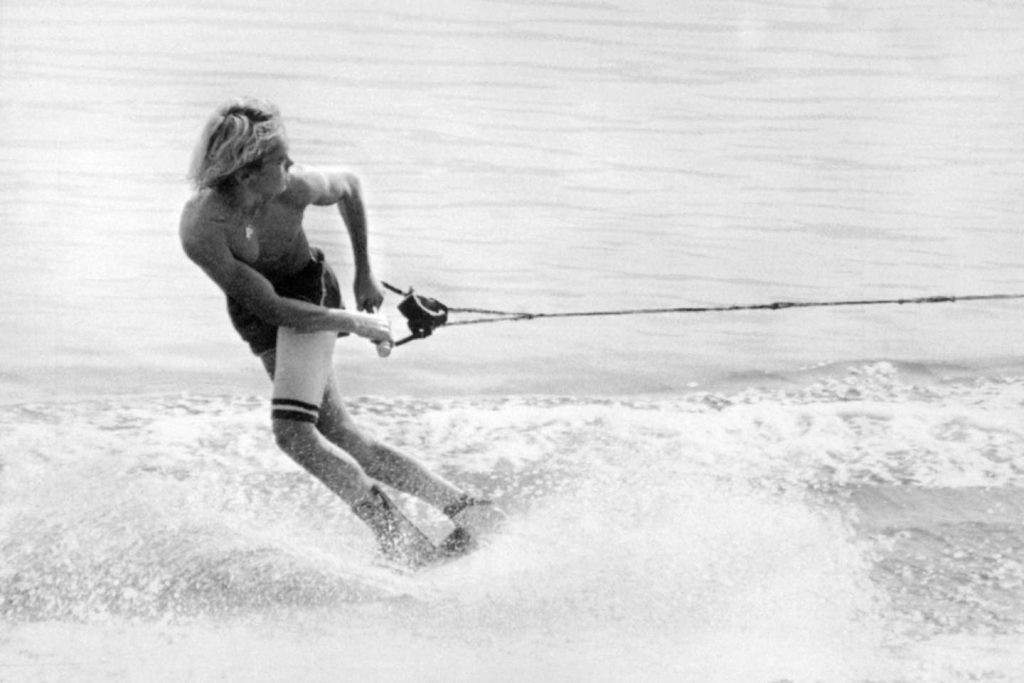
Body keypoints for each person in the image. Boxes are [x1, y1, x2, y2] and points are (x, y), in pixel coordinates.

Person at [179, 98, 502, 564]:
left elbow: (349, 187)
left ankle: (402, 538)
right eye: (280, 161)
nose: (291, 166)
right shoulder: (202, 228)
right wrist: (363, 324)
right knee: (337, 430)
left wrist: (365, 275)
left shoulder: (293, 188)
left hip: (307, 291)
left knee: (296, 434)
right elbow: (268, 306)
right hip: (262, 308)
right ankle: (470, 512)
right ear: (246, 174)